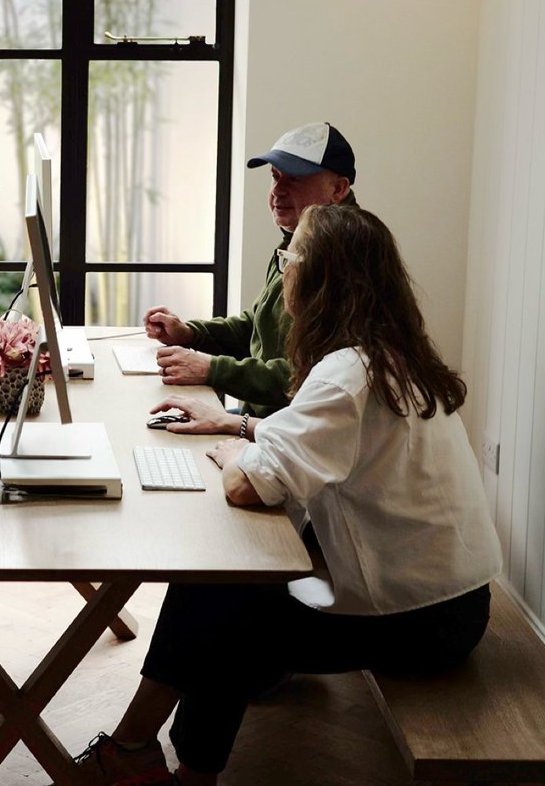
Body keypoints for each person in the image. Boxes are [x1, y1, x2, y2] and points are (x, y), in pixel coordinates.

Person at [72, 203, 502, 785]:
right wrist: (240, 426)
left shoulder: (347, 376)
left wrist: (238, 455)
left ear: (323, 279)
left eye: (291, 255)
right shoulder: (386, 357)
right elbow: (325, 443)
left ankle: (153, 760)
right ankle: (138, 750)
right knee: (222, 589)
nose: (284, 264)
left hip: (420, 623)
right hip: (451, 601)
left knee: (223, 602)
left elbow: (248, 486)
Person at [143, 121, 357, 420]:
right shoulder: (297, 240)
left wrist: (210, 369)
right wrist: (191, 333)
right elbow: (256, 327)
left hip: (289, 434)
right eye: (275, 177)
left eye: (294, 179)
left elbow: (310, 375)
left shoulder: (346, 258)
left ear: (338, 188)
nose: (277, 191)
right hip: (263, 422)